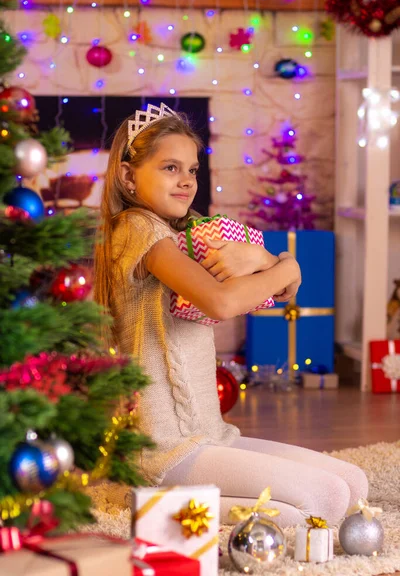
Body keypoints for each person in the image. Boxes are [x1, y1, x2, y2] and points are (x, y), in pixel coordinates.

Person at [94, 103, 368, 527]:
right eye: (170, 168)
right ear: (129, 177)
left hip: (211, 435)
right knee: (326, 500)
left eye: (193, 169)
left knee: (354, 483)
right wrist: (288, 265)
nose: (186, 180)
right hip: (163, 449)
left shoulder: (189, 231)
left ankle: (158, 504)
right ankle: (141, 502)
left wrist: (271, 260)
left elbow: (276, 292)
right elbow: (221, 302)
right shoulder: (137, 228)